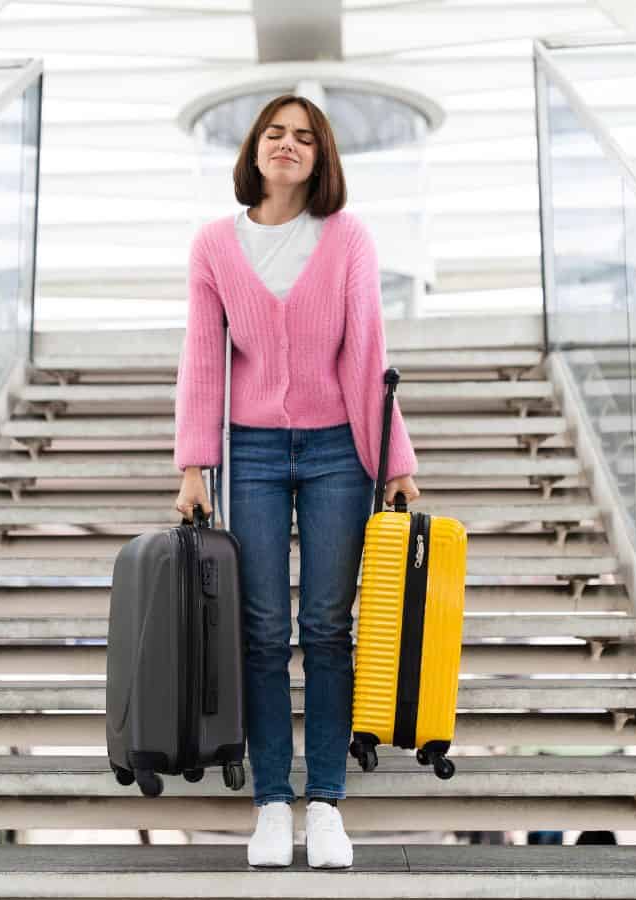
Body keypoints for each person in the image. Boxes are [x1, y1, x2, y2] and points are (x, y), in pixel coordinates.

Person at [173, 94, 418, 870]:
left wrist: (396, 465)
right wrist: (192, 464)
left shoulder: (346, 239)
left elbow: (367, 351)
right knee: (262, 631)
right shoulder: (216, 244)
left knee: (325, 626)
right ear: (254, 150)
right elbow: (203, 358)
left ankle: (329, 804)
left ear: (322, 156)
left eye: (304, 137)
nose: (288, 145)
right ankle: (273, 803)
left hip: (337, 453)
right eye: (275, 133)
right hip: (248, 452)